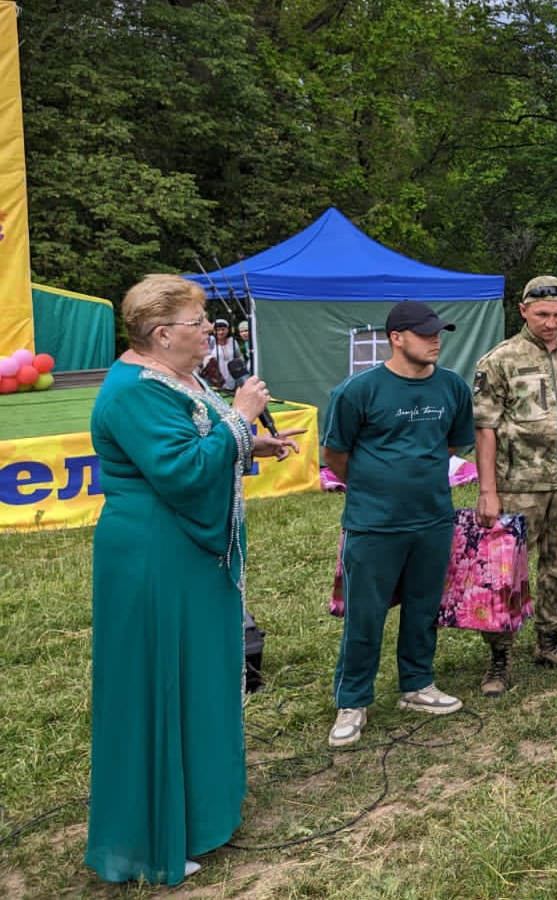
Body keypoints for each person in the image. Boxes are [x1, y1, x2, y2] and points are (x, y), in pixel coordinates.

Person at [86, 275, 303, 885]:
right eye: (198, 322)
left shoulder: (181, 377)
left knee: (199, 676)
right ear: (162, 334)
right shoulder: (132, 390)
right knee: (160, 682)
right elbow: (180, 471)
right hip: (155, 555)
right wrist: (241, 416)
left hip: (192, 551)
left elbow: (198, 439)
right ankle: (155, 834)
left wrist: (253, 443)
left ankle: (201, 811)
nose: (209, 331)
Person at [322, 300, 476, 747]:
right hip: (373, 524)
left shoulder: (452, 387)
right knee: (365, 616)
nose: (435, 340)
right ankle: (353, 700)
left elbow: (451, 446)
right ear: (396, 338)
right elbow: (335, 455)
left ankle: (417, 684)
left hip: (432, 518)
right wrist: (374, 486)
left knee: (423, 607)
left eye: (438, 333)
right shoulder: (358, 390)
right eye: (424, 333)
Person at [471, 275, 557, 696]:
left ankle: (549, 641)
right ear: (524, 310)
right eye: (543, 315)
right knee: (506, 573)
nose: (551, 323)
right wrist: (488, 490)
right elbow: (485, 429)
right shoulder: (499, 360)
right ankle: (499, 656)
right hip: (517, 487)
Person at [205, 318, 243, 389]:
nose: (221, 332)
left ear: (227, 330)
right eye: (218, 330)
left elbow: (239, 358)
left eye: (223, 329)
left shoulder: (232, 342)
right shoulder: (211, 342)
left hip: (232, 377)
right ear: (214, 331)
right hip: (216, 378)